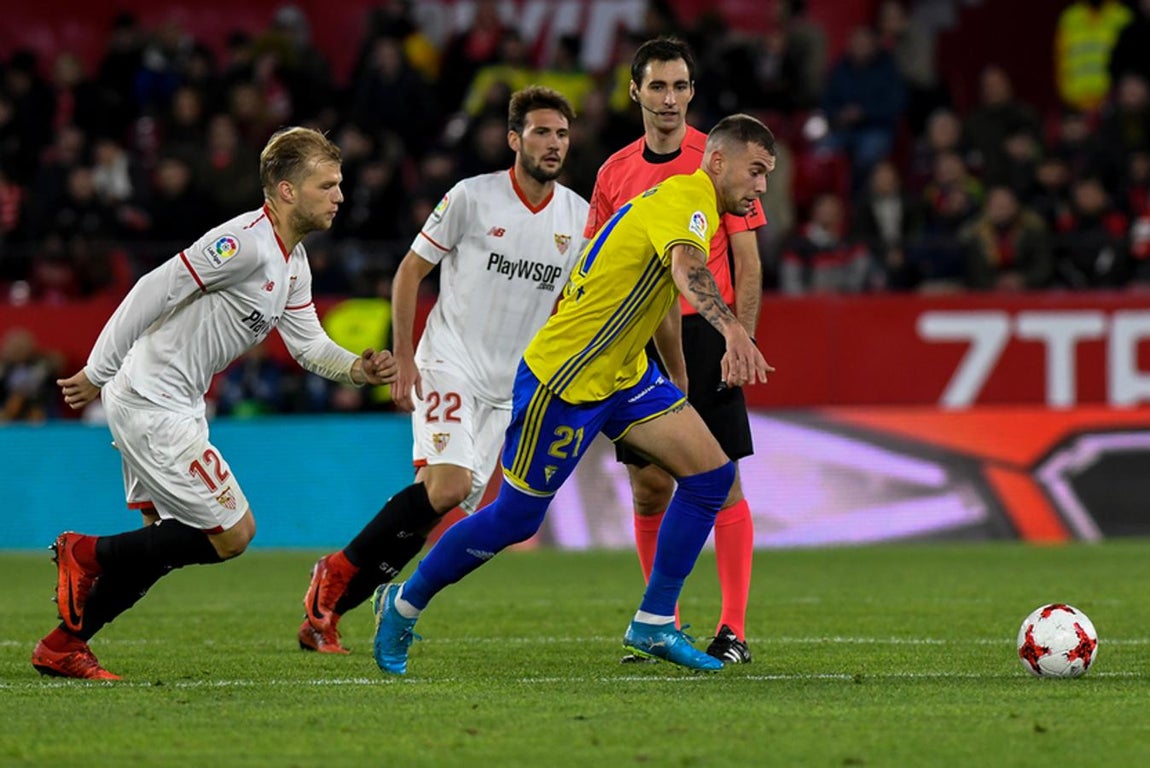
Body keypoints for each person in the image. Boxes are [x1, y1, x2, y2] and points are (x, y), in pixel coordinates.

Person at [371, 113, 777, 676]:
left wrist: (677, 376)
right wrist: (733, 329)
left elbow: (660, 291)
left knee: (712, 477)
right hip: (564, 378)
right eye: (755, 172)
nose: (761, 188)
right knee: (515, 520)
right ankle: (404, 601)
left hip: (625, 375)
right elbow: (686, 270)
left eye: (767, 176)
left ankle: (655, 622)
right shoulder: (690, 197)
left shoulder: (682, 204)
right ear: (718, 160)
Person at [31, 126, 399, 680]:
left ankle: (63, 645)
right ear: (286, 190)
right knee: (232, 533)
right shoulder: (244, 242)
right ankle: (86, 553)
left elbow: (308, 346)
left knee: (166, 545)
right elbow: (155, 287)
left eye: (340, 184)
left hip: (170, 402)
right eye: (327, 184)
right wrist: (98, 369)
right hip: (151, 399)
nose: (339, 196)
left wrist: (357, 369)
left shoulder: (293, 262)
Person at [295, 86, 589, 654]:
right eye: (541, 132)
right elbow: (409, 273)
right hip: (448, 362)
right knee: (447, 486)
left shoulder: (578, 217)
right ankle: (332, 582)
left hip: (508, 390)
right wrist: (405, 358)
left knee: (437, 505)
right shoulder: (471, 198)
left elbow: (576, 306)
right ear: (514, 139)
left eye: (562, 134)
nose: (554, 144)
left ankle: (327, 605)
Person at [583, 36, 767, 664]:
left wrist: (737, 338)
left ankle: (734, 630)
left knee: (724, 481)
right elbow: (597, 258)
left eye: (681, 86)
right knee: (650, 490)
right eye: (657, 86)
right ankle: (663, 623)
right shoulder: (613, 172)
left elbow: (746, 259)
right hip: (639, 337)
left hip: (705, 332)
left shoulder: (715, 160)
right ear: (634, 91)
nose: (669, 99)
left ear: (693, 91)